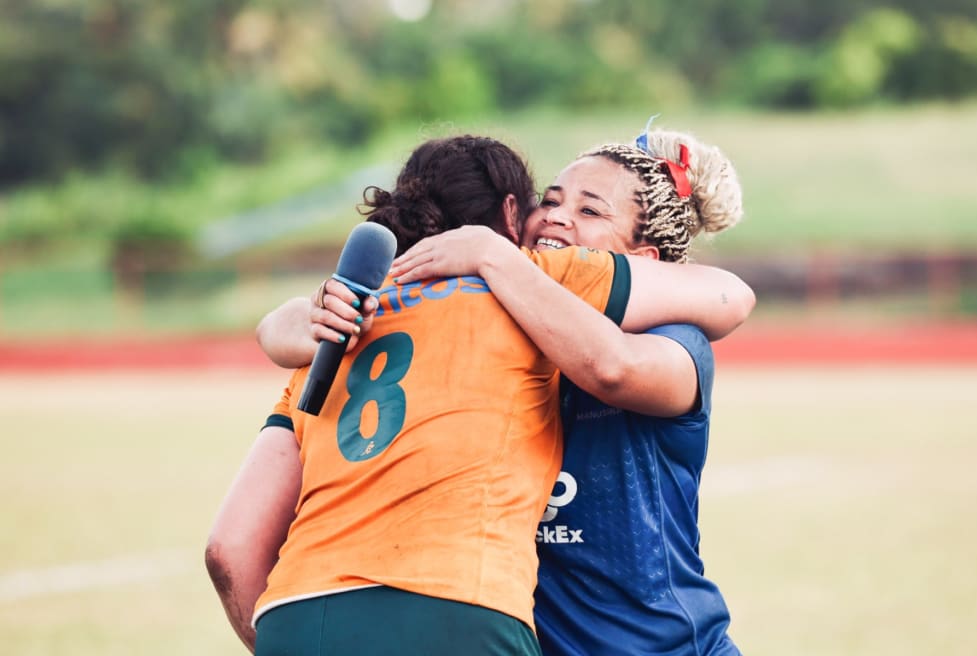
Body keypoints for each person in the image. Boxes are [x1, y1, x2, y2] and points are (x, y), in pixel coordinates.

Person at [208, 133, 754, 655]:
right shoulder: (496, 317)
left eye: (590, 211)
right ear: (517, 214)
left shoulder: (673, 342)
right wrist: (300, 316)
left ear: (645, 261)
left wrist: (494, 256)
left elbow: (613, 364)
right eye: (552, 199)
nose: (558, 216)